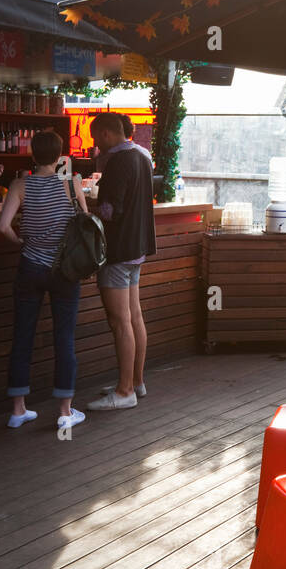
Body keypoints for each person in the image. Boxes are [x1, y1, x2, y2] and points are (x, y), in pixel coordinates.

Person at [0, 130, 87, 431]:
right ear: (61, 154)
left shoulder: (20, 185)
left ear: (33, 155)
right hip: (65, 271)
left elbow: (2, 226)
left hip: (30, 268)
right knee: (64, 337)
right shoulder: (72, 184)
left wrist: (21, 241)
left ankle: (18, 410)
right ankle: (65, 410)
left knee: (23, 335)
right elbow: (84, 225)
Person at [87, 112, 156, 410]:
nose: (95, 145)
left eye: (95, 138)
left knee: (120, 321)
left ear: (104, 133)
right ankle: (136, 381)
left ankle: (125, 390)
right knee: (134, 316)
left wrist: (84, 203)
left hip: (117, 250)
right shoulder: (141, 156)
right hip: (137, 247)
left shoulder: (117, 161)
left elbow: (110, 211)